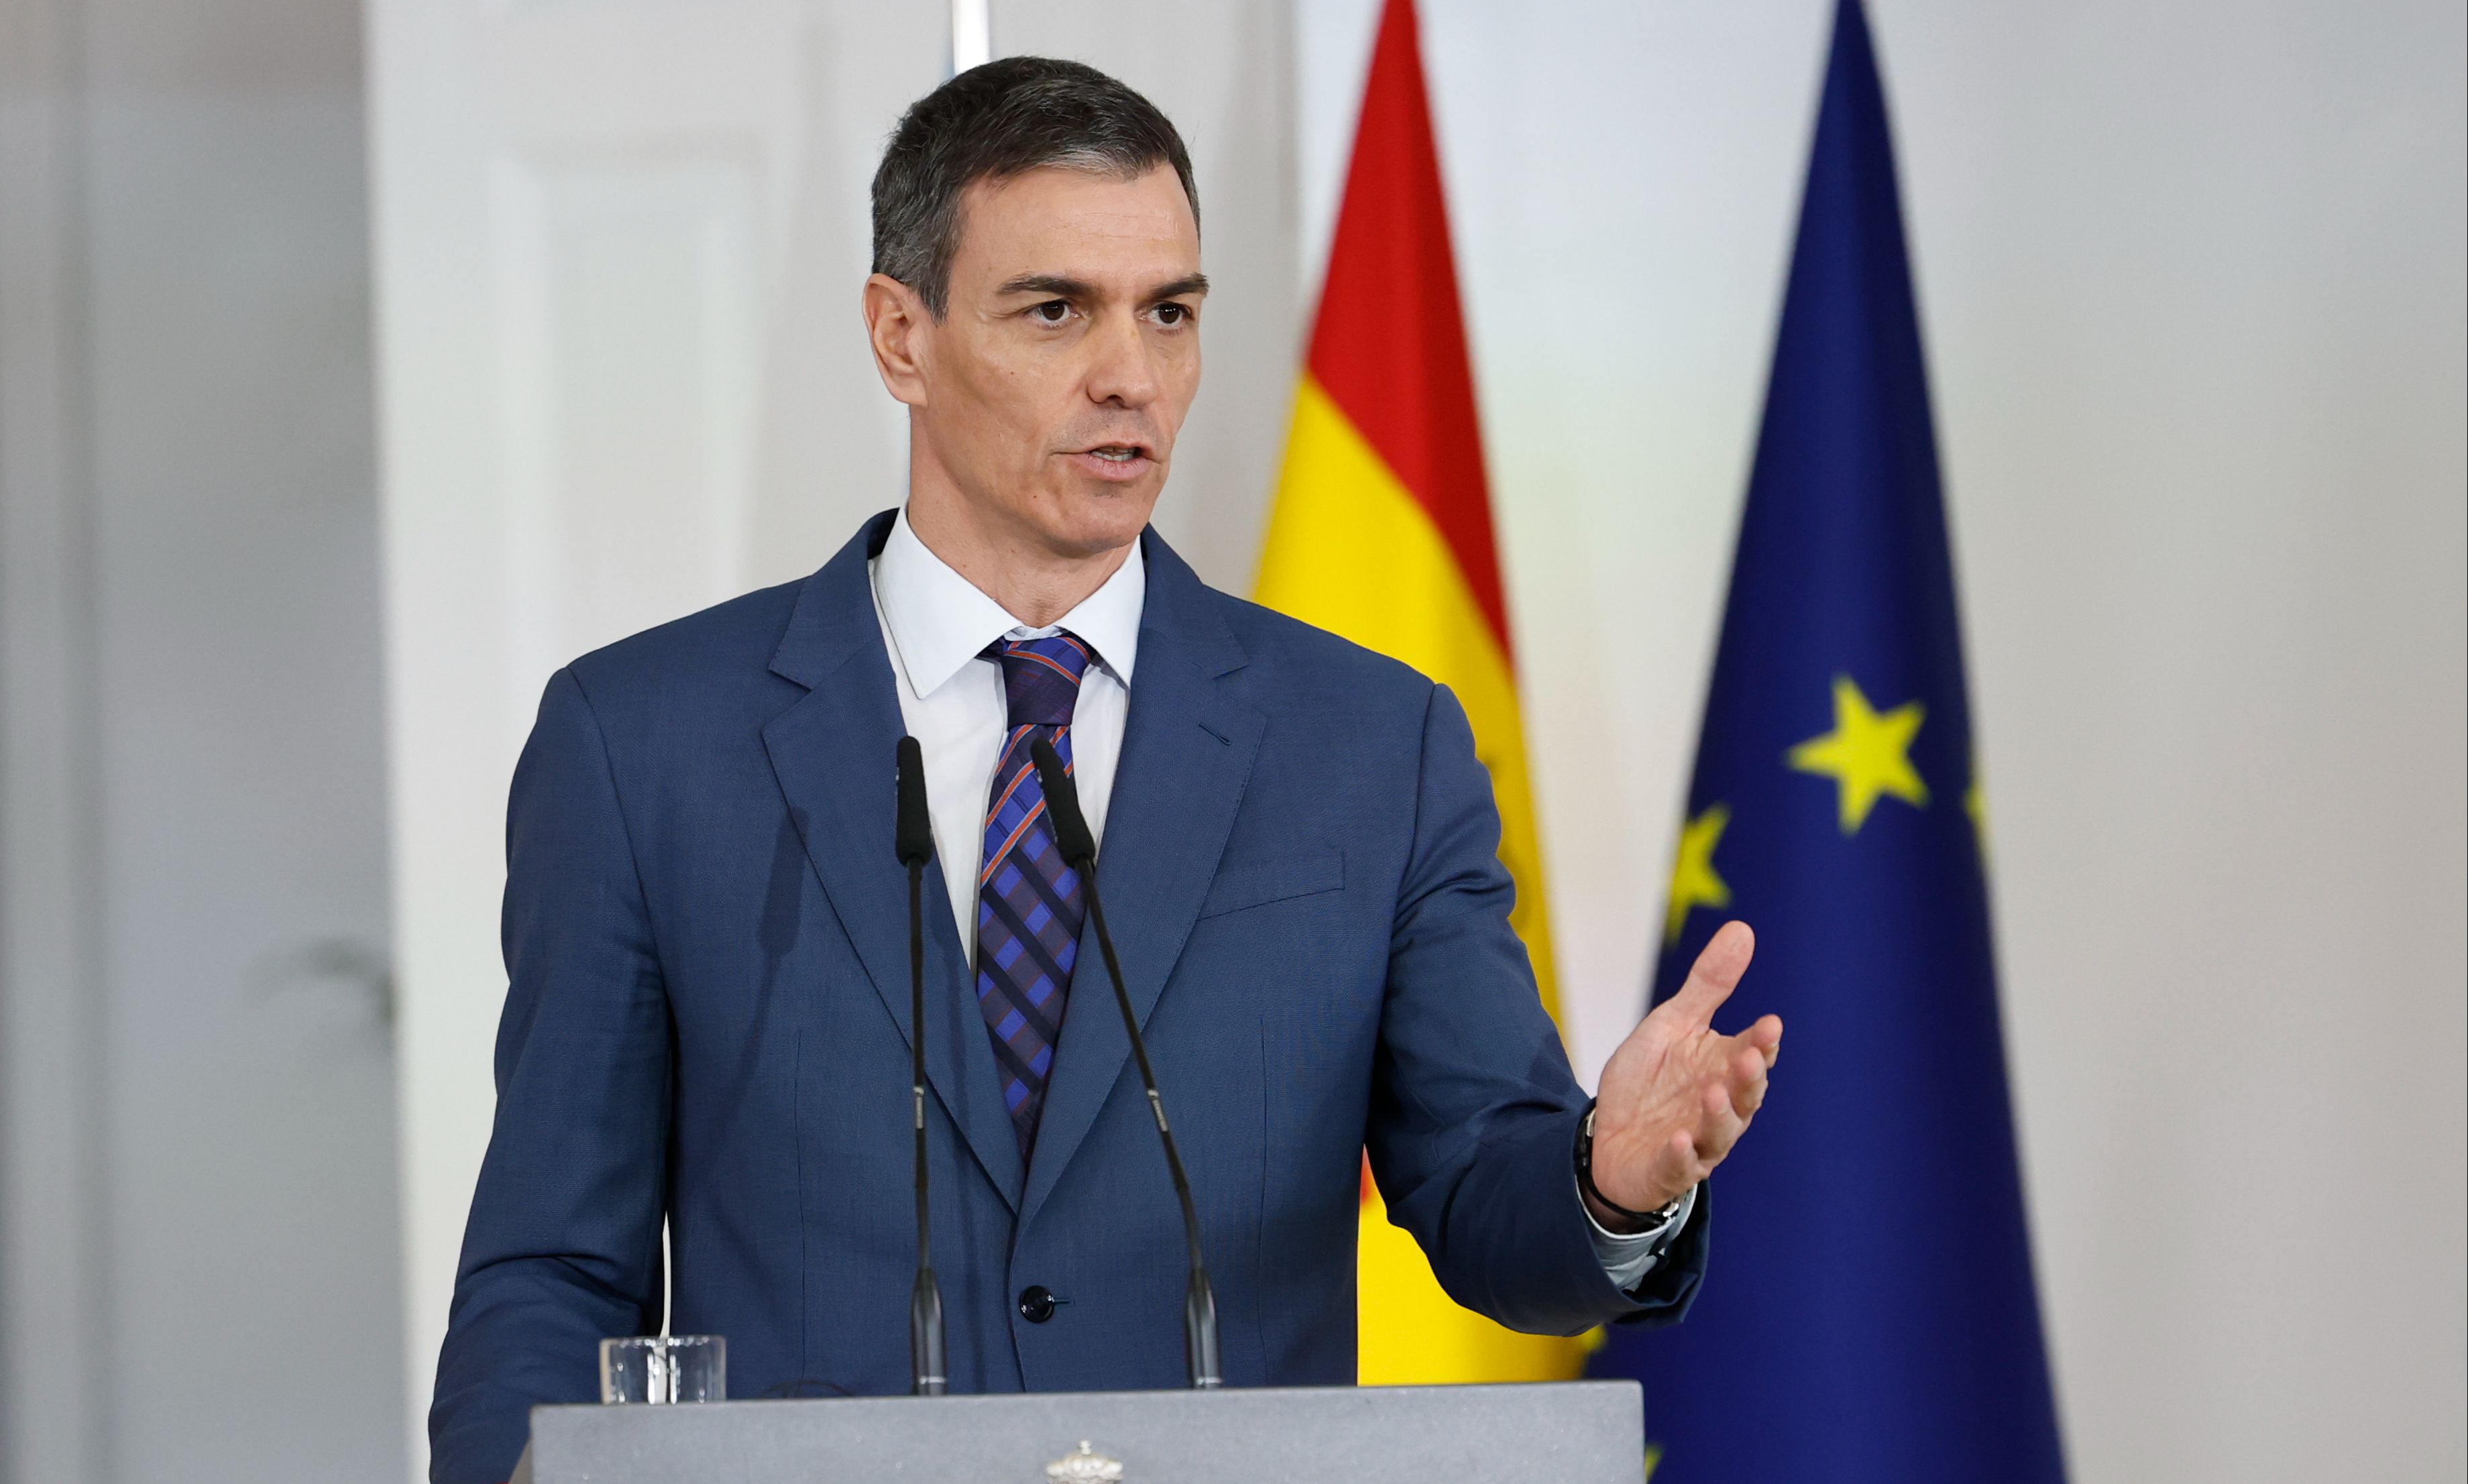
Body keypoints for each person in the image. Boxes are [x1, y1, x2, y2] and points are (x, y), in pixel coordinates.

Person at [428, 56, 1781, 1484]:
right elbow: (551, 1274)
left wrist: (1609, 1184)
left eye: (1170, 313)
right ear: (901, 336)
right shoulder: (642, 746)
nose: (1131, 374)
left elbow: (1487, 1198)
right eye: (1056, 309)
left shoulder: (1374, 746)